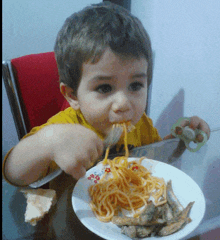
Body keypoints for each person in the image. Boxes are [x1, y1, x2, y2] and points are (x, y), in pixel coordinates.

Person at [3, 2, 210, 239]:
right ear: (72, 95)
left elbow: (155, 164)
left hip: (127, 223)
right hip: (69, 229)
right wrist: (48, 142)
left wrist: (177, 141)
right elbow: (13, 173)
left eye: (135, 85)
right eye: (104, 88)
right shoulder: (64, 128)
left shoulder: (140, 124)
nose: (123, 104)